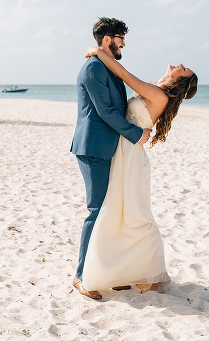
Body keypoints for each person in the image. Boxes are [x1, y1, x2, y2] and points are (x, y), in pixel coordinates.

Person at [78, 46, 198, 298]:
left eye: (183, 69)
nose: (179, 64)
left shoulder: (157, 94)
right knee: (121, 213)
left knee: (135, 215)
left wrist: (99, 52)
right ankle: (125, 271)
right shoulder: (157, 90)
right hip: (123, 152)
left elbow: (123, 74)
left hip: (131, 158)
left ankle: (156, 273)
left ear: (180, 80)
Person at [70, 17, 152, 300]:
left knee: (108, 211)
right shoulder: (93, 68)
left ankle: (106, 271)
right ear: (107, 39)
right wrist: (136, 133)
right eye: (120, 37)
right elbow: (105, 111)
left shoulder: (105, 65)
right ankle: (81, 276)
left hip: (107, 147)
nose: (124, 43)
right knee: (96, 211)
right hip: (94, 148)